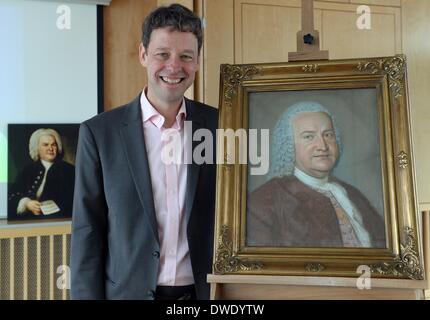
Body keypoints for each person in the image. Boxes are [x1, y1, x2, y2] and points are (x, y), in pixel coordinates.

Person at [71, 4, 217, 300]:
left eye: (186, 56)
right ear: (143, 55)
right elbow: (87, 232)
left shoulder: (222, 126)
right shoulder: (99, 134)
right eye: (163, 54)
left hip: (204, 294)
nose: (174, 67)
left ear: (198, 61)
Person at [247, 101, 386, 248]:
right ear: (288, 144)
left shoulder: (352, 194)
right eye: (308, 137)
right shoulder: (264, 202)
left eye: (328, 135)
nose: (323, 145)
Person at [8, 128, 75, 220]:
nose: (50, 148)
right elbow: (12, 195)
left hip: (58, 221)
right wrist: (27, 203)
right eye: (45, 145)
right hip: (27, 221)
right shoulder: (28, 170)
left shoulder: (69, 170)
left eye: (53, 144)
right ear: (37, 148)